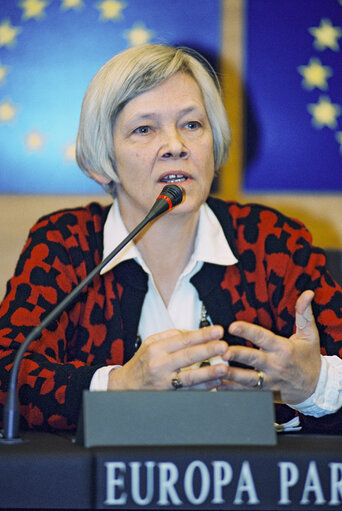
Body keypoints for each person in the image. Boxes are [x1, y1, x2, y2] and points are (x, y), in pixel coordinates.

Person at [0, 44, 341, 434]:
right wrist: (121, 386)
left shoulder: (273, 242)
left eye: (192, 125)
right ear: (103, 160)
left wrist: (314, 385)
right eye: (144, 129)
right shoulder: (64, 244)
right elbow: (10, 374)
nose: (176, 145)